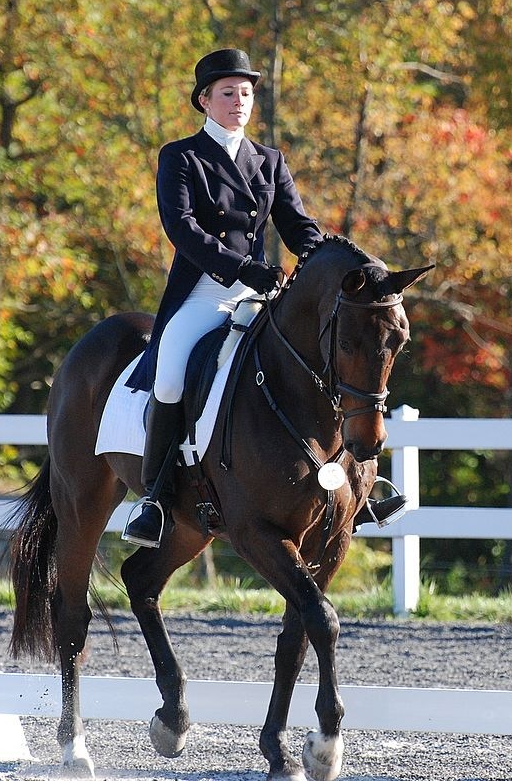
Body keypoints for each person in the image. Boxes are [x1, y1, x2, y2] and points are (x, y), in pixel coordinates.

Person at [123, 48, 404, 549]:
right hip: (204, 291)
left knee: (323, 360)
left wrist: (332, 261)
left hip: (261, 293)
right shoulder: (181, 157)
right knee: (169, 376)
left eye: (246, 93)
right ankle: (155, 498)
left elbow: (298, 227)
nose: (239, 101)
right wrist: (242, 268)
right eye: (228, 93)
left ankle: (357, 488)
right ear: (205, 100)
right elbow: (182, 228)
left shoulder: (269, 161)